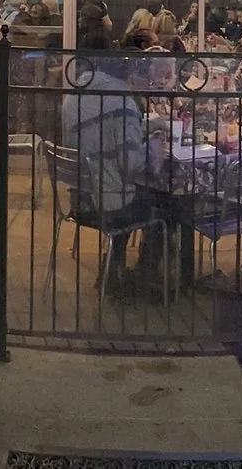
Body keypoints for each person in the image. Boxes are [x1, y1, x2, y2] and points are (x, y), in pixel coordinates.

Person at [60, 18, 165, 299]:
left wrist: (146, 126)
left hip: (81, 198)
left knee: (130, 191)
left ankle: (113, 271)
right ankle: (144, 280)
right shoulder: (121, 100)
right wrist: (155, 145)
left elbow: (107, 131)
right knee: (167, 206)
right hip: (109, 201)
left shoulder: (76, 93)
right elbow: (133, 165)